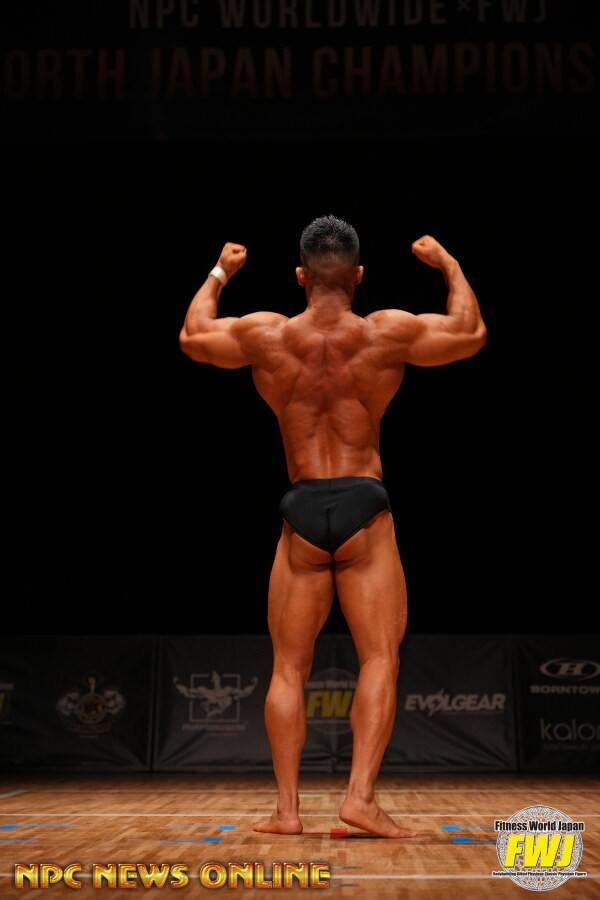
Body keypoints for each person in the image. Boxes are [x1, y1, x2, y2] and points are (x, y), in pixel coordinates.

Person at [179, 215, 486, 838]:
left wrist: (220, 271)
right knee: (379, 657)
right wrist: (447, 263)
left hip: (300, 510)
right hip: (363, 506)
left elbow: (193, 336)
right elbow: (469, 332)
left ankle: (286, 812)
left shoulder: (268, 335)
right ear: (359, 276)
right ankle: (360, 800)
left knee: (288, 668)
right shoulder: (384, 332)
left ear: (300, 276)